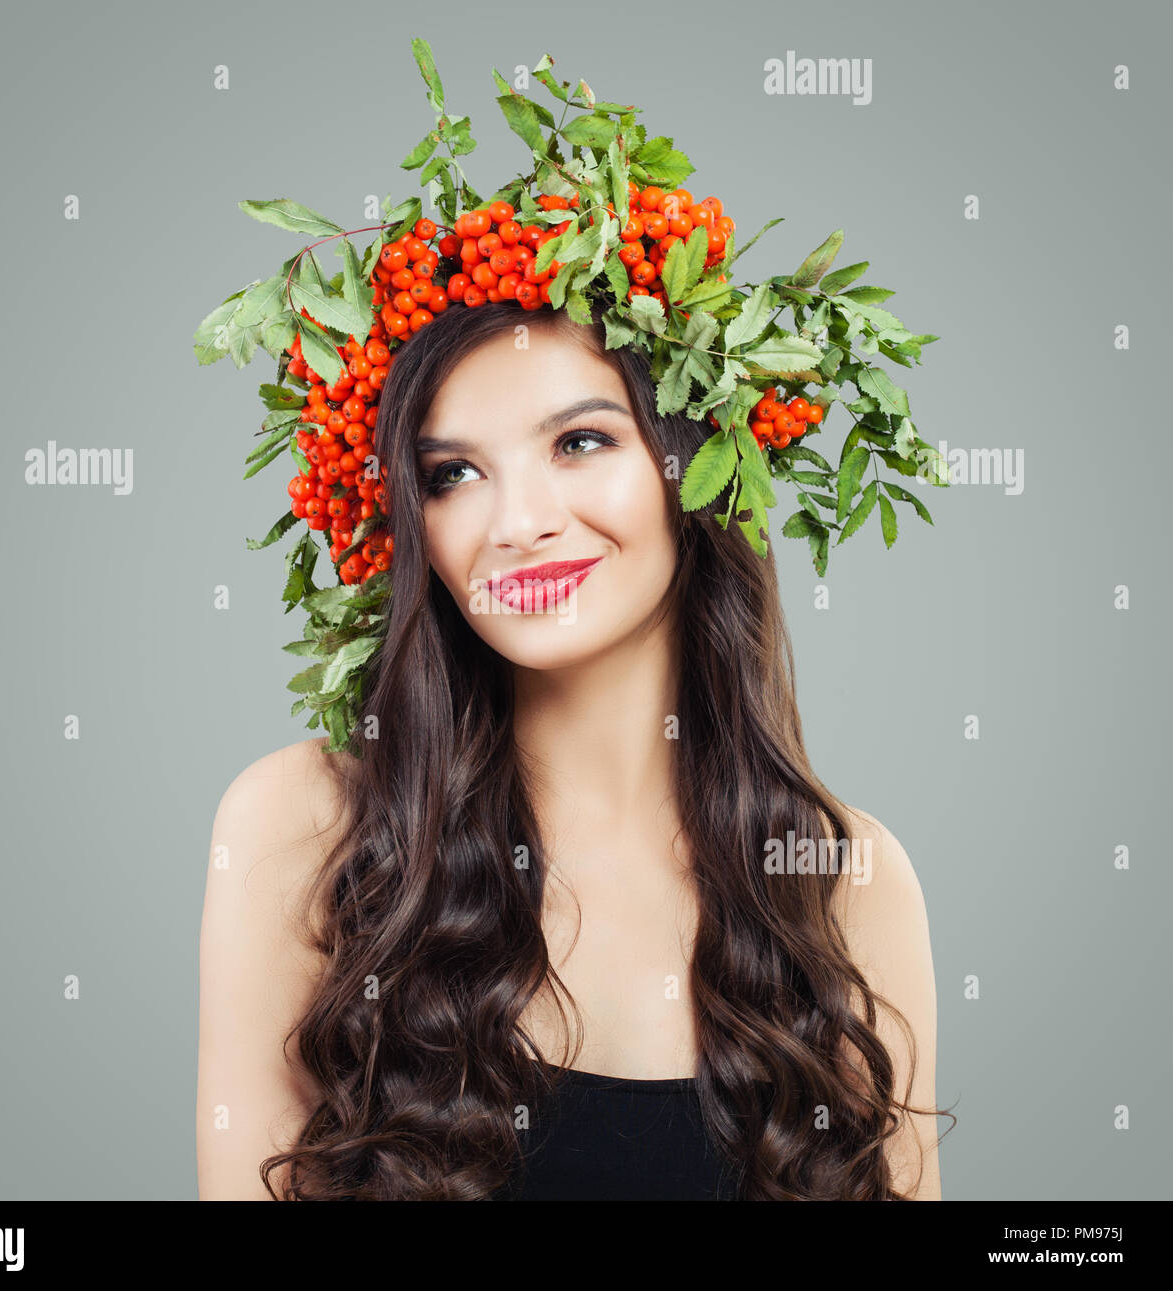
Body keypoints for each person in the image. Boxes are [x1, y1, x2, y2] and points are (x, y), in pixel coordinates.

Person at [196, 299, 944, 1201]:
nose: (517, 522)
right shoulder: (304, 827)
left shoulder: (846, 877)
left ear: (705, 464)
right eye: (453, 473)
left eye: (580, 442)